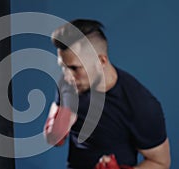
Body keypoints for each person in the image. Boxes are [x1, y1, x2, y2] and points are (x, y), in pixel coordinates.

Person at [43, 19, 171, 169]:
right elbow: (53, 138)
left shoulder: (141, 105)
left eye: (75, 68)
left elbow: (160, 162)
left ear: (101, 61)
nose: (67, 76)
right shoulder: (69, 84)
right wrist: (60, 122)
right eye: (63, 67)